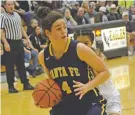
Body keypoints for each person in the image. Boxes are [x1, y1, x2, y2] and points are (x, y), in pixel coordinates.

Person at [37, 7, 110, 115]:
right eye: (58, 29)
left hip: (89, 103)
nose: (63, 32)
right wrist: (42, 97)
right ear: (47, 33)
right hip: (62, 106)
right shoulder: (43, 56)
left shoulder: (79, 49)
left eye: (65, 27)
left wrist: (87, 86)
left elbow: (105, 72)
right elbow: (52, 83)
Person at [74, 30, 121, 115]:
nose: (83, 46)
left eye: (86, 43)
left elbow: (101, 75)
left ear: (92, 43)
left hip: (109, 97)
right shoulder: (74, 60)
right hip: (93, 101)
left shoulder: (98, 56)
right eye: (79, 43)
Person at [0, 1, 34, 93]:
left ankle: (25, 84)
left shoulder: (17, 15)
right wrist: (5, 43)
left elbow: (21, 29)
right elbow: (1, 32)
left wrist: (27, 38)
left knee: (21, 64)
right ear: (5, 6)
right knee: (10, 65)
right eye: (9, 5)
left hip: (19, 42)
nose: (11, 6)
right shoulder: (2, 16)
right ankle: (11, 86)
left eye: (12, 4)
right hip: (9, 42)